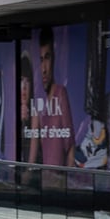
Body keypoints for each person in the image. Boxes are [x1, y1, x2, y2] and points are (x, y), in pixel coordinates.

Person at [32, 28, 73, 167]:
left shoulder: (60, 93)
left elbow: (70, 145)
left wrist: (70, 183)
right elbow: (33, 143)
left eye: (47, 58)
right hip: (44, 179)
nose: (44, 69)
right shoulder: (38, 98)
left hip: (59, 181)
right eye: (41, 60)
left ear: (54, 58)